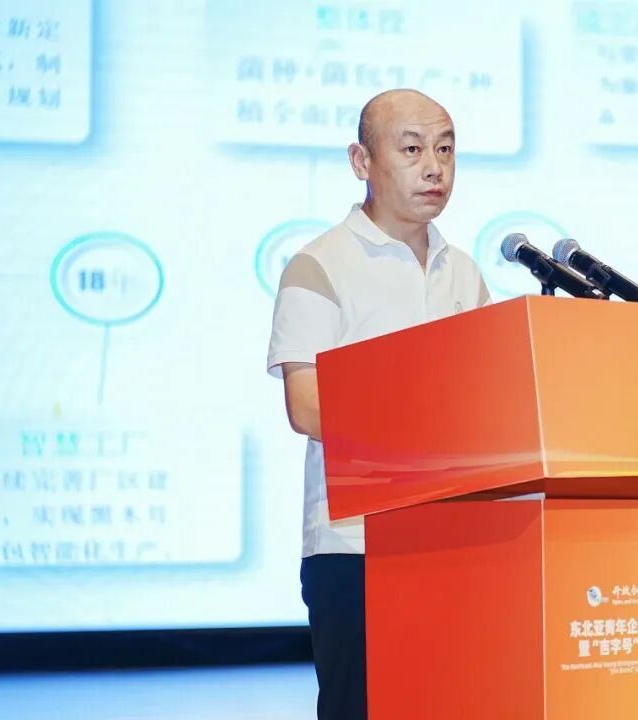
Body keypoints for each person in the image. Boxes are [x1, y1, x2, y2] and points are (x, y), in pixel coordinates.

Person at [266, 89, 491, 719]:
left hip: (457, 543)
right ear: (361, 162)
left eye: (445, 150)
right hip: (356, 550)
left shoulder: (464, 272)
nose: (434, 168)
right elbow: (307, 406)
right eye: (412, 149)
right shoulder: (320, 265)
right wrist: (430, 423)